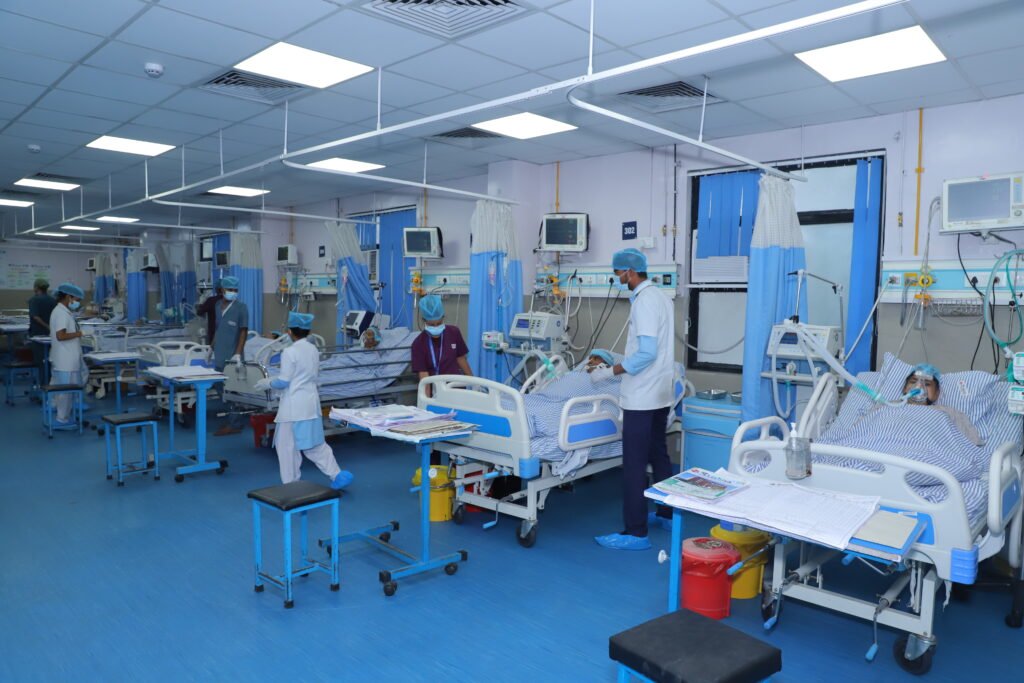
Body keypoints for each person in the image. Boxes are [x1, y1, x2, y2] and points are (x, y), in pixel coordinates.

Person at [591, 248, 675, 551]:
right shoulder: (661, 297)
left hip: (642, 395)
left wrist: (610, 371)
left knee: (635, 464)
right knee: (658, 454)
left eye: (618, 273)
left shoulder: (645, 302)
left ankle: (636, 532)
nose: (617, 278)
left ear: (630, 271)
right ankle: (666, 513)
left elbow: (646, 353)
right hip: (660, 392)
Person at [255, 312, 352, 489]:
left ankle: (291, 484)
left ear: (289, 331)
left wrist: (267, 382)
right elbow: (302, 374)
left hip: (293, 407)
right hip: (310, 404)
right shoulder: (313, 349)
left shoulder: (289, 352)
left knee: (286, 447)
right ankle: (338, 475)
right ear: (308, 331)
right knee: (315, 444)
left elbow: (284, 381)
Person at [901, 364, 982, 445]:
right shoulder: (894, 406)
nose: (919, 386)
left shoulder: (947, 412)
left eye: (927, 384)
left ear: (937, 393)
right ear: (904, 388)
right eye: (913, 381)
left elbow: (972, 444)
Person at [411, 295, 472, 398]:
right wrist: (426, 402)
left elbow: (461, 359)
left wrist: (473, 381)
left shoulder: (454, 332)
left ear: (443, 317)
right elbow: (424, 377)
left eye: (439, 323)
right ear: (424, 320)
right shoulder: (418, 344)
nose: (436, 327)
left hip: (456, 388)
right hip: (435, 392)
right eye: (431, 325)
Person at [212, 276, 249, 436]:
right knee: (218, 385)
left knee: (232, 390)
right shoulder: (217, 306)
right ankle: (234, 418)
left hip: (233, 356)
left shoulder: (241, 308)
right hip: (220, 353)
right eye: (230, 289)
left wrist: (238, 353)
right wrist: (211, 347)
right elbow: (218, 328)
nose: (233, 292)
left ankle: (235, 423)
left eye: (235, 290)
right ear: (222, 290)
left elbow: (243, 331)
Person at [48, 282, 86, 426]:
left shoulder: (63, 311)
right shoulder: (61, 313)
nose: (77, 303)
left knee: (68, 392)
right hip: (65, 360)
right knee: (64, 393)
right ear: (69, 296)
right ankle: (61, 419)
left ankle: (64, 417)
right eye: (76, 300)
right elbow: (61, 336)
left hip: (67, 358)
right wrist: (80, 333)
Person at [28, 278, 56, 380]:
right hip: (50, 334)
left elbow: (35, 317)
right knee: (50, 359)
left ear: (36, 287)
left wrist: (46, 326)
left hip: (38, 334)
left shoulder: (34, 300)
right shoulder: (52, 300)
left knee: (40, 361)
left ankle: (43, 384)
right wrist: (50, 327)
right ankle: (50, 381)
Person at [194, 279, 223, 346]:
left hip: (214, 336)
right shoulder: (232, 302)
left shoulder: (211, 301)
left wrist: (200, 305)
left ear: (216, 289)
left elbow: (199, 312)